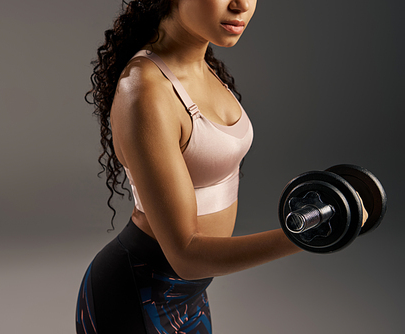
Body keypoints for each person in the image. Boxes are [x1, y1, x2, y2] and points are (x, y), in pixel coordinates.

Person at [76, 1, 303, 333]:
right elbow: (185, 255)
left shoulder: (201, 64)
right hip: (137, 296)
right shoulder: (145, 89)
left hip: (188, 295)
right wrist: (303, 237)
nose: (241, 5)